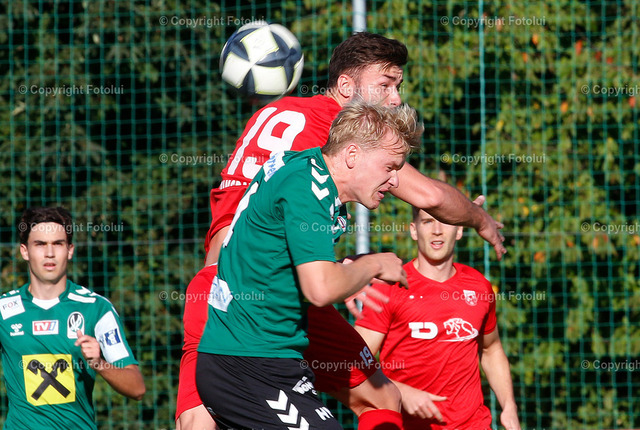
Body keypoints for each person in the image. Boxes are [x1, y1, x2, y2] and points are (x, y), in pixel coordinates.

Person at [177, 31, 505, 430]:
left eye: (398, 87)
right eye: (385, 85)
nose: (395, 98)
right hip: (239, 297)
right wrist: (480, 219)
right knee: (203, 418)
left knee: (381, 395)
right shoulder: (345, 139)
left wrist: (339, 269)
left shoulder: (278, 115)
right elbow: (432, 197)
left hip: (267, 287)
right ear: (346, 87)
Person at [196, 101, 422, 429]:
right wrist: (374, 264)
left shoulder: (305, 168)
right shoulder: (308, 189)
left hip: (270, 359)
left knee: (383, 396)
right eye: (390, 167)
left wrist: (344, 269)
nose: (395, 180)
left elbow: (277, 255)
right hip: (246, 364)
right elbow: (320, 289)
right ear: (352, 154)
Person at [355, 205, 521, 430]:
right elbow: (354, 363)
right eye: (428, 222)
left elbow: (491, 350)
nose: (437, 230)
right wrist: (401, 391)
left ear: (459, 230)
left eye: (445, 221)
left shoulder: (478, 286)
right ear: (414, 230)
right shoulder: (390, 287)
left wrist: (509, 407)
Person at [0, 207, 145, 430]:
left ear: (70, 250)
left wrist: (99, 363)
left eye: (58, 244)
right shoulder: (4, 310)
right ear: (25, 251)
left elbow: (137, 388)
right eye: (40, 244)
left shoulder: (96, 308)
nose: (49, 253)